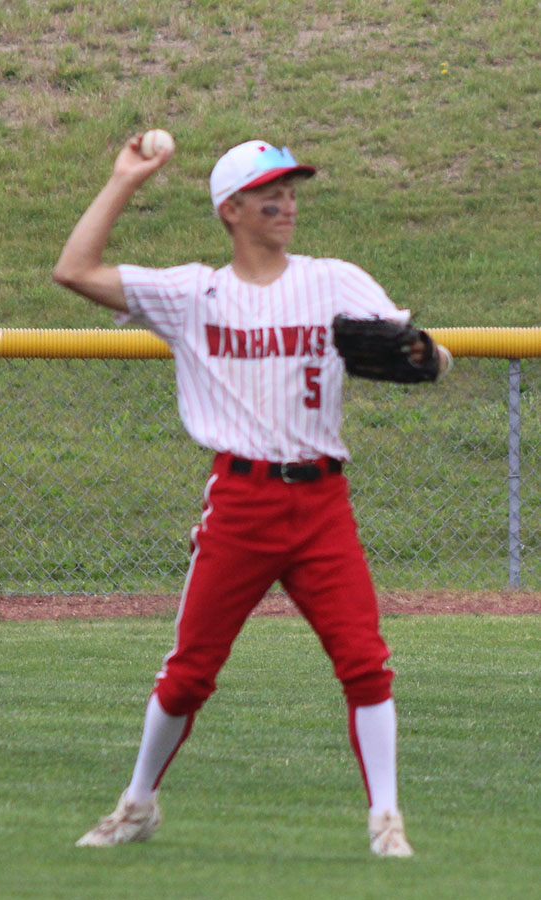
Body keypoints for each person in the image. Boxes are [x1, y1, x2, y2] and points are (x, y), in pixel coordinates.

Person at [54, 135, 451, 857]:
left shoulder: (335, 279)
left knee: (365, 660)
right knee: (189, 671)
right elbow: (73, 269)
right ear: (230, 208)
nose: (287, 200)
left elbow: (421, 350)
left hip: (323, 502)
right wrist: (123, 179)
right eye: (271, 189)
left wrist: (429, 356)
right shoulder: (192, 294)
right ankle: (138, 803)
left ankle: (386, 821)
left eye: (293, 188)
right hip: (239, 504)